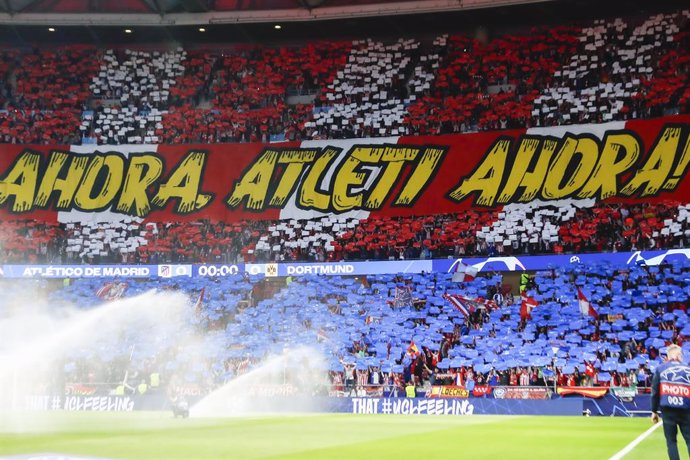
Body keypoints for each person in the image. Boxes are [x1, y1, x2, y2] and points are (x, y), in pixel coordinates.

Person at [651, 344, 690, 460]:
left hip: (668, 410)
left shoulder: (660, 369)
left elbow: (654, 392)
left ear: (669, 356)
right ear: (678, 355)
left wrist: (654, 411)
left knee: (671, 442)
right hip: (686, 410)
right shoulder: (688, 369)